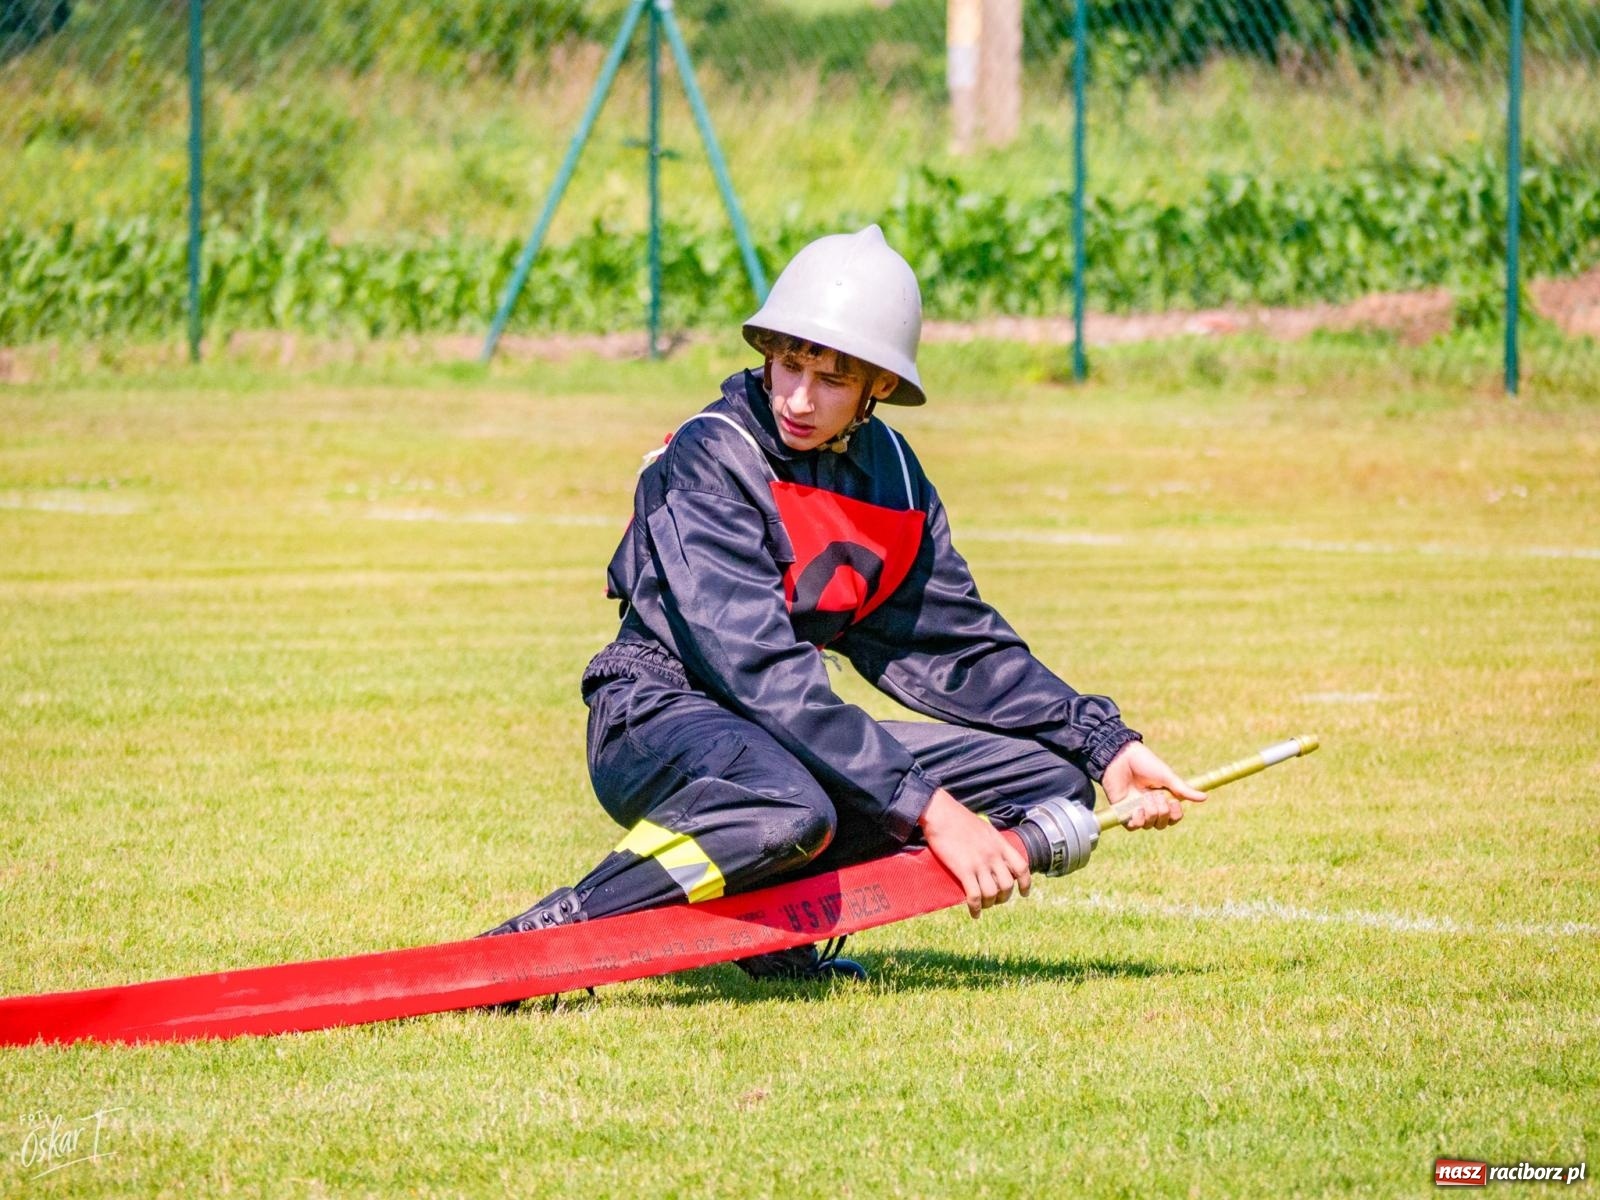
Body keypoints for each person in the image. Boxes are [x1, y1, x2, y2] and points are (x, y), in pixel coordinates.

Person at [481, 225, 1203, 981]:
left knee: (1046, 782)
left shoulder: (892, 474)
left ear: (877, 387)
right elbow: (755, 670)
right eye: (789, 364)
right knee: (790, 807)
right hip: (658, 713)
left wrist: (1105, 744)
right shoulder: (709, 456)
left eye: (830, 378)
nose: (798, 396)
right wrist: (931, 809)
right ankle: (559, 933)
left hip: (785, 737)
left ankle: (769, 929)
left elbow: (957, 647)